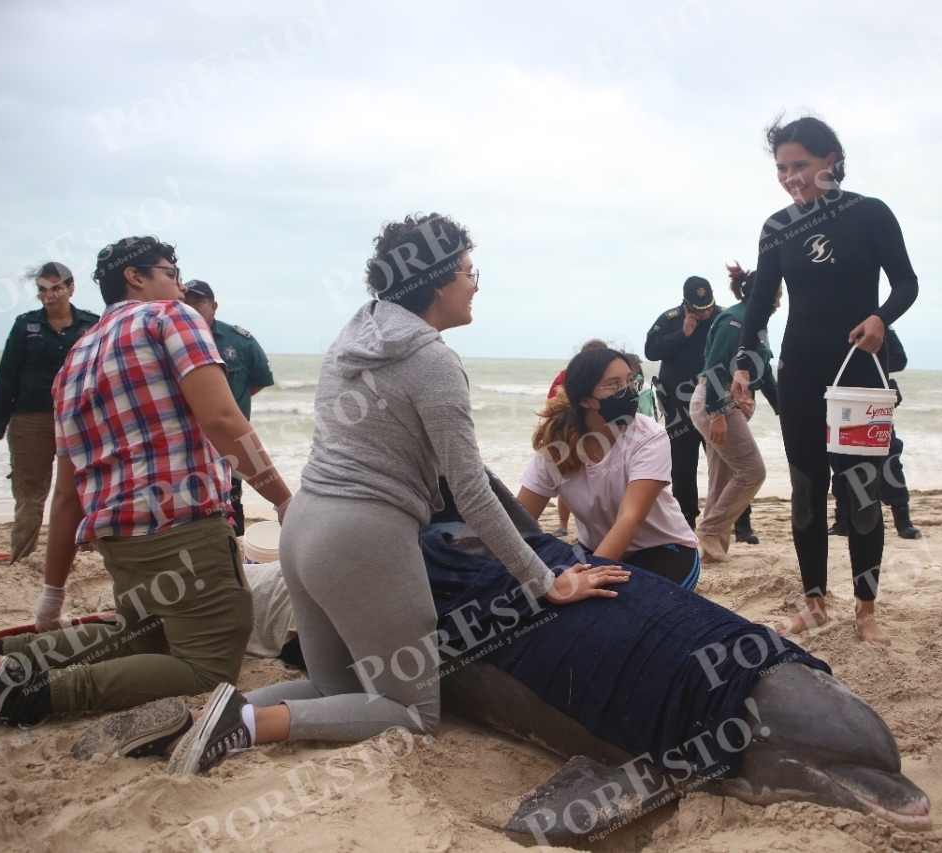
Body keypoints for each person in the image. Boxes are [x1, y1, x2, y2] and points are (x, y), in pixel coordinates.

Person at [158, 214, 630, 776]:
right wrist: (544, 581)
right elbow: (471, 491)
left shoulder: (355, 332)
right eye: (467, 271)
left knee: (340, 690)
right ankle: (249, 725)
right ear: (435, 282)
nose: (475, 283)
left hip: (303, 526)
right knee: (410, 712)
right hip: (364, 542)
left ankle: (189, 725)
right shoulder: (433, 361)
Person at [0, 235, 294, 730]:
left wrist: (52, 593)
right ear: (135, 277)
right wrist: (282, 498)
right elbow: (224, 422)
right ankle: (23, 696)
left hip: (120, 545)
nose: (180, 285)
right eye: (171, 272)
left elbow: (67, 493)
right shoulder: (170, 317)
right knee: (207, 665)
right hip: (184, 532)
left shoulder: (73, 361)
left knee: (142, 637)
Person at [731, 115, 918, 644]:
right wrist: (744, 362)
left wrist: (882, 316)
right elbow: (757, 308)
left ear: (831, 159)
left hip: (861, 373)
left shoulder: (870, 214)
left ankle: (866, 610)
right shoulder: (777, 227)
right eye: (783, 168)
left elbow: (907, 282)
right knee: (807, 488)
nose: (791, 176)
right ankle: (814, 602)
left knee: (860, 489)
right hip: (801, 372)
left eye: (802, 165)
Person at [519, 347, 701, 590]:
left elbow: (631, 517)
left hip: (664, 548)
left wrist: (587, 577)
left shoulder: (649, 436)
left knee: (613, 606)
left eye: (629, 381)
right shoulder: (557, 447)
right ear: (585, 400)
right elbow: (518, 519)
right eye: (614, 384)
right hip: (594, 549)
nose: (627, 391)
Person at [0, 262, 99, 563]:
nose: (49, 295)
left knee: (86, 488)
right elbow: (6, 376)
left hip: (80, 419)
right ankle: (21, 557)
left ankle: (89, 555)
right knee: (29, 492)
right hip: (30, 419)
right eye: (42, 290)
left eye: (56, 288)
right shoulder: (25, 326)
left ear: (71, 288)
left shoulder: (92, 325)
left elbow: (104, 372)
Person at [646, 277, 757, 543]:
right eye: (699, 308)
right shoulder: (670, 319)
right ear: (686, 304)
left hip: (717, 402)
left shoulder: (724, 318)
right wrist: (682, 333)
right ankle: (686, 524)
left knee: (732, 464)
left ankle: (743, 526)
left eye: (708, 306)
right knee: (683, 468)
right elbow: (651, 350)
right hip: (678, 408)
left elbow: (745, 354)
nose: (705, 312)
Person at [688, 263, 779, 563]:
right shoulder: (734, 322)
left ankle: (714, 551)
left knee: (723, 477)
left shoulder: (756, 327)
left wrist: (785, 411)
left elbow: (765, 377)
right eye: (777, 295)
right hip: (716, 401)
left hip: (726, 401)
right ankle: (711, 531)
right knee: (753, 471)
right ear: (762, 295)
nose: (779, 302)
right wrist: (717, 414)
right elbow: (714, 368)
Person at [183, 280, 275, 536]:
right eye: (185, 302)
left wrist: (224, 405)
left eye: (198, 302)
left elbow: (258, 382)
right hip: (184, 447)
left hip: (227, 445)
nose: (191, 308)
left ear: (214, 306)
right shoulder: (168, 339)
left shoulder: (240, 341)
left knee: (231, 505)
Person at [829, 327, 922, 540]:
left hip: (875, 397)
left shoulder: (880, 325)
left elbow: (900, 359)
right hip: (842, 398)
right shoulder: (833, 324)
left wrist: (867, 358)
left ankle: (902, 520)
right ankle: (842, 521)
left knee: (889, 458)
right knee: (839, 460)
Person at [547, 338, 608, 537]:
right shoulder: (568, 376)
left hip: (578, 437)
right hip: (573, 436)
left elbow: (550, 406)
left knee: (569, 479)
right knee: (571, 479)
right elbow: (553, 406)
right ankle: (564, 524)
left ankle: (564, 525)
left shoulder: (569, 375)